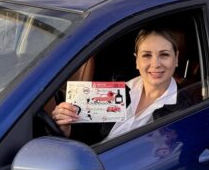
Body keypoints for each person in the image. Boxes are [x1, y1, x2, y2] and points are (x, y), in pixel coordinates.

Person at [52, 27, 191, 142]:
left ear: (176, 59)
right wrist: (67, 129)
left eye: (164, 55)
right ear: (137, 61)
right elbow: (90, 135)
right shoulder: (116, 89)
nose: (155, 64)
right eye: (147, 55)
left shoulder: (187, 111)